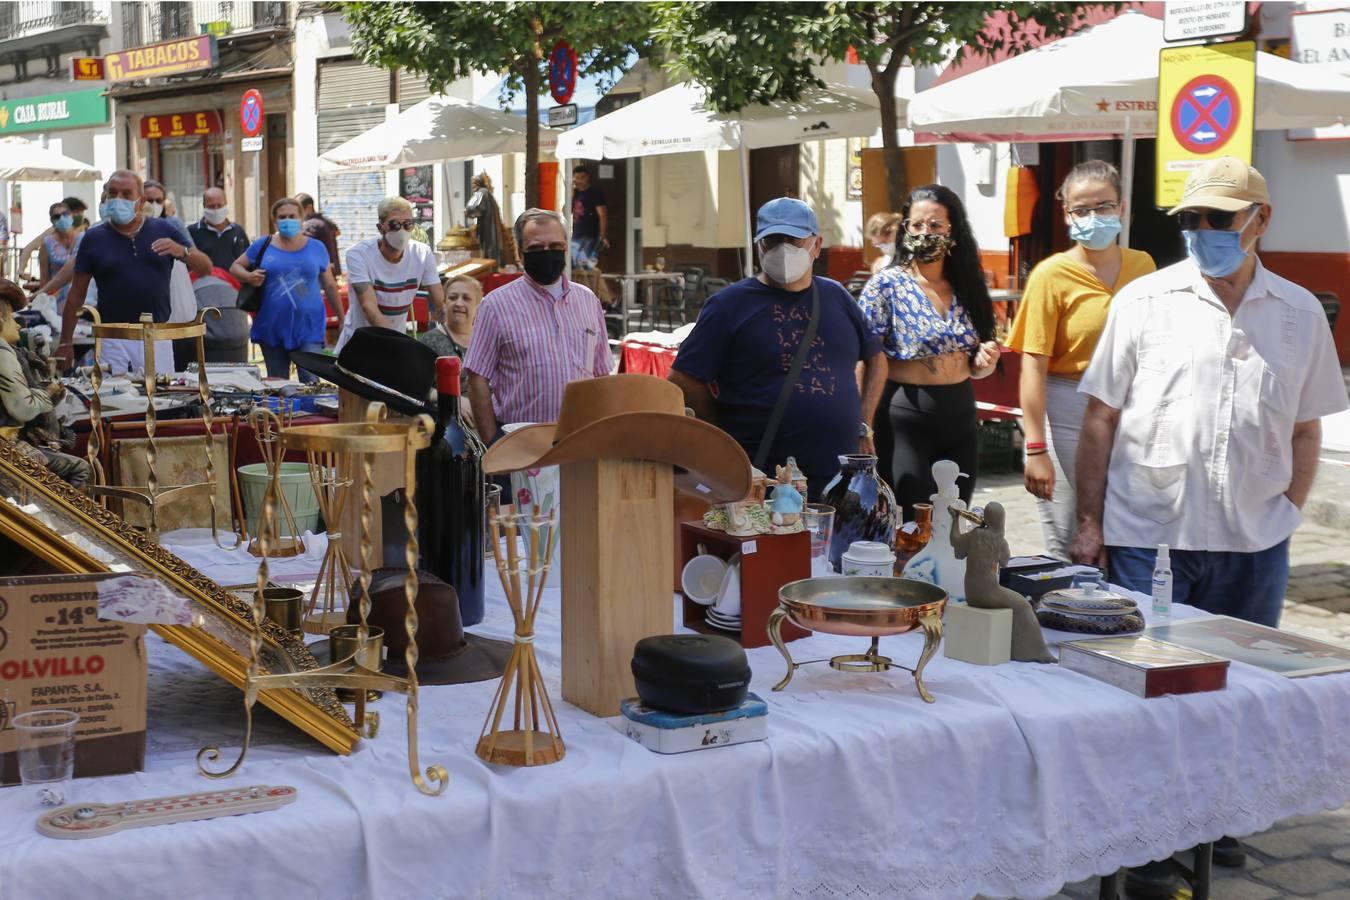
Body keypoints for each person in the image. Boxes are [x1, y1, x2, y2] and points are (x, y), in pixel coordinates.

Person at [1074, 156, 1348, 623]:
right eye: (1189, 218)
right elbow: (1101, 417)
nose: (1202, 230)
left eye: (1219, 218)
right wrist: (1088, 523)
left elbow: (1305, 429)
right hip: (1148, 538)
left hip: (1254, 546)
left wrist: (1285, 514)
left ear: (1261, 218)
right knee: (1147, 678)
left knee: (1245, 682)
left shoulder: (1299, 313)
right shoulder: (1142, 302)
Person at [669, 198, 887, 499]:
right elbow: (684, 378)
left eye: (794, 239)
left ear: (816, 244)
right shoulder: (728, 305)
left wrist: (865, 422)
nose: (783, 249)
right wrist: (723, 433)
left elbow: (876, 357)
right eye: (773, 240)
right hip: (764, 480)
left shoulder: (836, 296)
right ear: (759, 246)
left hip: (839, 476)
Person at [1005, 160, 1155, 560]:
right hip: (1068, 409)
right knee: (1073, 541)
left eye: (1103, 207)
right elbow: (1033, 366)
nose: (1094, 217)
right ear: (1067, 214)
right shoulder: (1050, 275)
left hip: (1129, 410)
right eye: (1081, 210)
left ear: (1121, 208)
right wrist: (1035, 448)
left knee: (1124, 534)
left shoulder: (1144, 266)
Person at [857, 184, 1000, 519]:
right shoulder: (886, 285)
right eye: (917, 225)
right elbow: (864, 357)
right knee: (912, 520)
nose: (925, 233)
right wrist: (861, 423)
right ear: (905, 229)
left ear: (953, 229)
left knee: (954, 519)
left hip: (961, 412)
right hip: (906, 414)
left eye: (935, 225)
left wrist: (983, 363)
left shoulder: (968, 285)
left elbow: (975, 359)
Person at [465, 208, 611, 442]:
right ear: (520, 254)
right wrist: (494, 444)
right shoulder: (495, 305)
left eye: (555, 246)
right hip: (520, 444)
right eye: (535, 248)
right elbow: (477, 379)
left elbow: (601, 373)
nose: (546, 253)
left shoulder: (588, 301)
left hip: (579, 439)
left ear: (566, 247)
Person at [56, 170, 209, 374]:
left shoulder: (164, 229)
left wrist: (182, 251)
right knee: (116, 403)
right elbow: (76, 294)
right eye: (113, 193)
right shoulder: (94, 238)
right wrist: (66, 343)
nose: (118, 199)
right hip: (113, 337)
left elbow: (206, 267)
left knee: (160, 401)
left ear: (141, 200)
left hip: (156, 336)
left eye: (126, 194)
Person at [232, 198, 340, 383]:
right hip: (272, 326)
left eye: (292, 216)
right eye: (282, 217)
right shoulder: (262, 245)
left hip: (309, 327)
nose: (287, 220)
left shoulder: (316, 247)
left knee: (311, 383)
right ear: (274, 220)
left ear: (301, 218)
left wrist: (342, 318)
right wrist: (249, 277)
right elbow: (235, 267)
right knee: (278, 385)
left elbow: (330, 285)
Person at [0, 279, 91, 487]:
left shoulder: (12, 352)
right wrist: (47, 393)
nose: (17, 324)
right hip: (6, 445)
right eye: (11, 317)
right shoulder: (2, 355)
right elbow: (23, 408)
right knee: (81, 469)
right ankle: (68, 519)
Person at [337, 197, 443, 350]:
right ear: (381, 228)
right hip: (359, 345)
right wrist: (398, 344)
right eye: (395, 225)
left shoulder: (422, 253)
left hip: (394, 342)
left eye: (408, 224)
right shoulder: (358, 254)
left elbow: (438, 299)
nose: (402, 231)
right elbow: (370, 308)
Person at [420, 274, 481, 375]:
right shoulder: (429, 342)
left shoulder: (486, 339)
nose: (459, 303)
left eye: (466, 298)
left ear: (477, 306)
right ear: (444, 304)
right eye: (453, 298)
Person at [18, 196, 89, 280]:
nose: (81, 216)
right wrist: (21, 271)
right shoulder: (53, 232)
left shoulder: (84, 231)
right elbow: (29, 247)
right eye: (77, 212)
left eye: (81, 213)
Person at [38, 201, 86, 313]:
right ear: (52, 221)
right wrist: (44, 301)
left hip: (84, 297)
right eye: (57, 216)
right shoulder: (47, 243)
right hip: (58, 299)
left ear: (71, 215)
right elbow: (44, 277)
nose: (62, 218)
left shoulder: (84, 238)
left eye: (65, 214)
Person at [188, 187, 251, 273]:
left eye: (219, 205)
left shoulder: (237, 231)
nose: (216, 210)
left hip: (234, 284)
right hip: (205, 284)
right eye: (211, 206)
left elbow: (248, 260)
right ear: (204, 206)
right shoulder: (192, 232)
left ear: (226, 205)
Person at [570, 165, 608, 269]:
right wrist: (571, 194)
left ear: (588, 177)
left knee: (585, 265)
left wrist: (602, 236)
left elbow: (603, 214)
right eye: (577, 177)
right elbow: (567, 210)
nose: (580, 180)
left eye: (583, 177)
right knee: (573, 264)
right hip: (577, 233)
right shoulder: (576, 193)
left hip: (591, 234)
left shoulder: (595, 192)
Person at [296, 193, 341, 277]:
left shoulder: (310, 225)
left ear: (309, 208)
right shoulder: (326, 221)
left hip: (320, 272)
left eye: (299, 210)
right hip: (331, 269)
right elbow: (338, 232)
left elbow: (299, 244)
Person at [464, 173, 504, 266]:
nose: (473, 185)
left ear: (479, 183)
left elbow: (474, 207)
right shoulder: (487, 193)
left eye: (475, 183)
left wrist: (467, 211)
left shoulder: (481, 192)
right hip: (489, 228)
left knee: (487, 247)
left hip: (487, 229)